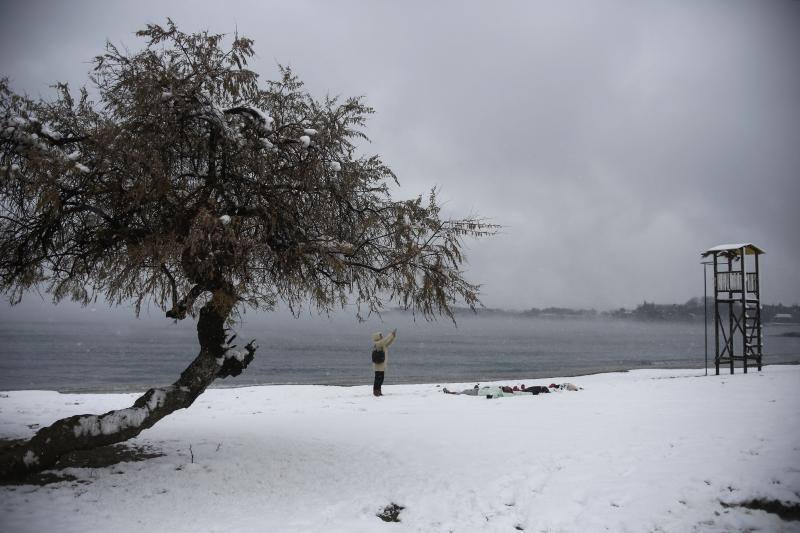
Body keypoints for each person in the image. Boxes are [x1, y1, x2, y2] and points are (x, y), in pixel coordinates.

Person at [372, 328, 397, 397]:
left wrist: (393, 337)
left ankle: (378, 390)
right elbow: (385, 340)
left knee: (381, 379)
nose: (382, 336)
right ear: (377, 337)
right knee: (378, 379)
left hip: (381, 365)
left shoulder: (381, 344)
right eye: (380, 335)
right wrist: (391, 334)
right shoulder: (377, 344)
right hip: (378, 366)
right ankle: (376, 391)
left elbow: (388, 343)